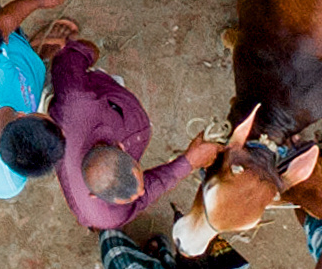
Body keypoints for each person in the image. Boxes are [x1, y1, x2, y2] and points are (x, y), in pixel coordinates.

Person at [50, 33, 221, 228]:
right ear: (93, 196)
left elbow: (70, 56)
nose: (142, 193)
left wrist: (89, 51)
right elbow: (144, 195)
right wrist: (189, 162)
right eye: (132, 197)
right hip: (116, 107)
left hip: (99, 90)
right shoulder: (107, 217)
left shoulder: (77, 100)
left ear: (120, 147)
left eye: (139, 184)